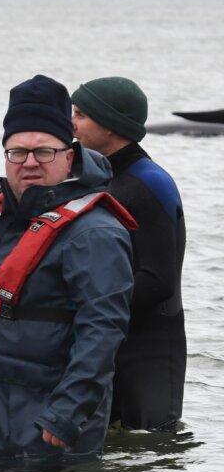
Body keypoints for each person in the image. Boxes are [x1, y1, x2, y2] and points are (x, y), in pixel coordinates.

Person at [0, 75, 135, 463]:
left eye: (43, 152)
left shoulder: (94, 233)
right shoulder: (4, 220)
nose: (28, 163)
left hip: (49, 431)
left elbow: (103, 330)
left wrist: (65, 415)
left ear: (69, 156)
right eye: (17, 152)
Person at [71, 77, 186, 431]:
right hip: (107, 338)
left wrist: (88, 306)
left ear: (111, 124)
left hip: (149, 346)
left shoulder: (149, 183)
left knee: (147, 455)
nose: (70, 123)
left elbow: (159, 280)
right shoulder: (99, 180)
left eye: (81, 114)